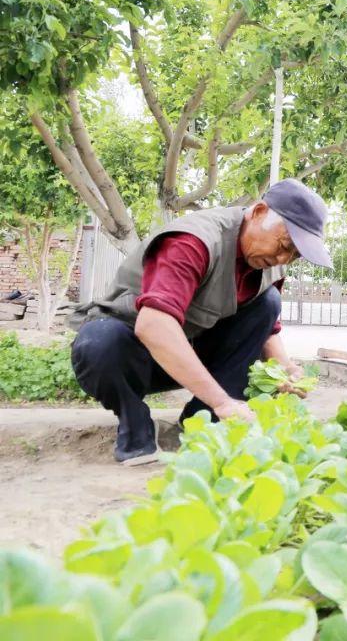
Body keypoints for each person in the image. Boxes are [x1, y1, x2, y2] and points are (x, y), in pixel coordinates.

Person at [70, 179, 333, 465]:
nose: (283, 258)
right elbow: (153, 326)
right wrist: (223, 402)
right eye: (283, 245)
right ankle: (136, 427)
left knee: (268, 302)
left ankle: (200, 421)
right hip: (134, 354)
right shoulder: (192, 241)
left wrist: (285, 367)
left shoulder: (270, 262)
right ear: (258, 212)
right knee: (99, 343)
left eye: (294, 255)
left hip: (191, 350)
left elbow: (266, 328)